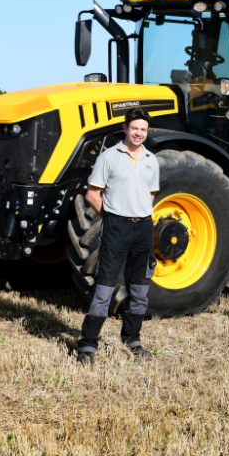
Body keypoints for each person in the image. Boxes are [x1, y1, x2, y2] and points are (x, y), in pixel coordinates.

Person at [77, 109, 160, 365]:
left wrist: (139, 214)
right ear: (125, 128)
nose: (139, 133)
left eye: (143, 129)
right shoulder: (109, 157)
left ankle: (133, 339)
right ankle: (88, 345)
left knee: (139, 289)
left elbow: (151, 195)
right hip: (116, 228)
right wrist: (114, 216)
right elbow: (93, 194)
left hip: (143, 229)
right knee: (105, 288)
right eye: (135, 128)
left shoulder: (150, 159)